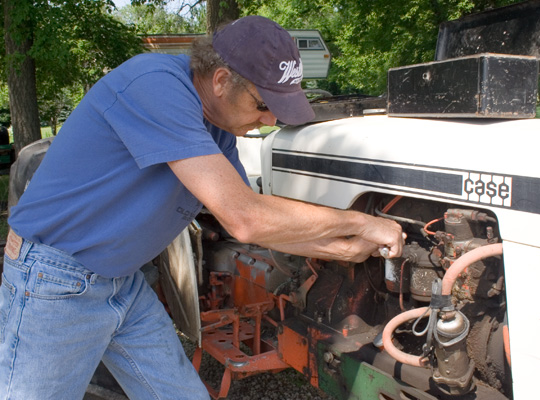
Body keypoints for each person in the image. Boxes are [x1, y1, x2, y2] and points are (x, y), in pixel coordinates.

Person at [0, 15, 403, 399]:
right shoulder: (155, 85)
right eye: (263, 105)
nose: (266, 121)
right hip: (55, 281)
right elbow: (245, 218)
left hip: (121, 281)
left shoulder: (218, 127)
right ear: (222, 80)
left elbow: (258, 226)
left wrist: (342, 249)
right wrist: (359, 223)